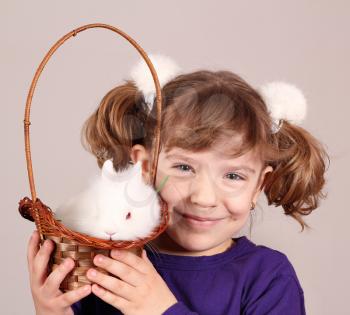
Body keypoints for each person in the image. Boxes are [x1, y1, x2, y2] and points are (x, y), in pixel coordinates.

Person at [27, 54, 329, 315]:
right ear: (144, 168)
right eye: (184, 168)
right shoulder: (104, 263)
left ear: (260, 184)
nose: (204, 197)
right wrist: (51, 309)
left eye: (233, 176)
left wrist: (161, 310)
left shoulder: (268, 278)